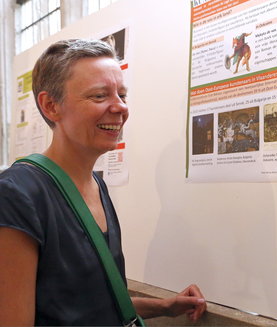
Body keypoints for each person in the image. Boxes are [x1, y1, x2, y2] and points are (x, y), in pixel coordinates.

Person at [0, 39, 206, 326]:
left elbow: (89, 303)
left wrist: (166, 306)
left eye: (121, 94)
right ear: (50, 106)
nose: (120, 107)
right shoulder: (16, 193)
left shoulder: (98, 185)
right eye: (99, 96)